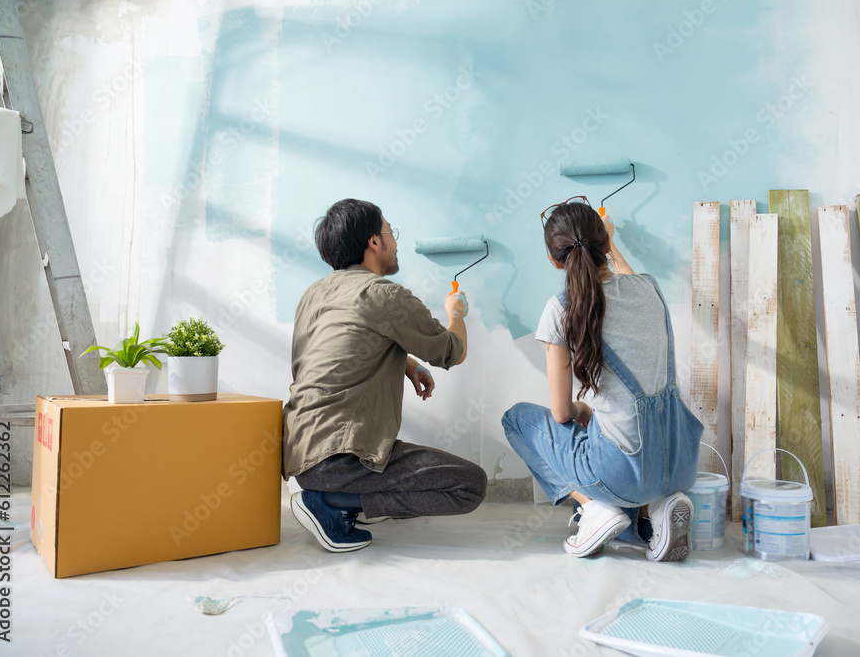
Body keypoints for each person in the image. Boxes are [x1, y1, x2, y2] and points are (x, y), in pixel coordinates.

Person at [501, 197, 703, 560]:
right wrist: (612, 243)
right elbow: (626, 276)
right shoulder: (651, 289)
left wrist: (581, 405)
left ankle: (595, 509)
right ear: (605, 245)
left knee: (517, 418)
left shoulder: (561, 309)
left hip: (622, 471)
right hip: (678, 461)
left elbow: (561, 415)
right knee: (615, 445)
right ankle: (654, 510)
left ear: (554, 260)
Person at [282, 198, 487, 553]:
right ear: (374, 242)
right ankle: (334, 503)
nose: (395, 242)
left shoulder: (313, 294)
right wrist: (456, 313)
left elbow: (339, 348)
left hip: (302, 452)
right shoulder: (386, 296)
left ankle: (347, 499)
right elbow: (453, 351)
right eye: (391, 233)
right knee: (470, 486)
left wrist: (407, 365)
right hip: (341, 461)